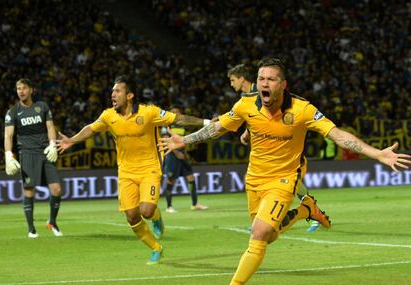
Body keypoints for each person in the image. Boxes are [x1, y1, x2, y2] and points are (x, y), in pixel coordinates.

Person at [159, 57, 411, 285]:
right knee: (267, 235)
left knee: (258, 233)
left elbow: (338, 136)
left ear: (283, 84)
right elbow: (218, 128)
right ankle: (305, 210)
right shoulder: (246, 104)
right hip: (254, 179)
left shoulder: (302, 109)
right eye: (261, 79)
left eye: (271, 79)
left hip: (284, 178)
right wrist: (186, 140)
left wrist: (377, 153)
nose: (264, 83)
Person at [55, 75, 210, 265]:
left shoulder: (149, 112)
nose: (113, 94)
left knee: (146, 210)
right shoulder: (108, 116)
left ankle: (156, 217)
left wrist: (207, 123)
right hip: (126, 172)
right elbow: (90, 129)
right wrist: (71, 140)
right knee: (131, 216)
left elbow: (178, 119)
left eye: (117, 91)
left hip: (150, 169)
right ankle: (156, 248)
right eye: (112, 91)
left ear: (130, 96)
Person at [228, 63, 321, 232]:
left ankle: (310, 212)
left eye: (233, 80)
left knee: (293, 182)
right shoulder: (249, 95)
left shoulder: (261, 89)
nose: (231, 84)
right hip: (267, 148)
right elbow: (257, 118)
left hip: (284, 144)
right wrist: (247, 132)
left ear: (242, 79)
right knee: (291, 184)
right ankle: (304, 211)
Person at [4, 78, 62, 238]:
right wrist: (8, 154)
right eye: (18, 88)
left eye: (24, 88)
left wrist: (52, 144)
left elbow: (50, 126)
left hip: (45, 152)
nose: (21, 91)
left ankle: (52, 221)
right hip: (27, 153)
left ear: (31, 90)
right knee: (29, 190)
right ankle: (31, 229)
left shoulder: (42, 107)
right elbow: (8, 135)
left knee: (56, 189)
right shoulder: (13, 112)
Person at [161, 106, 208, 213]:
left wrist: (183, 153)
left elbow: (183, 141)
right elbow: (166, 142)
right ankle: (169, 207)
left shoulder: (183, 127)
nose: (176, 114)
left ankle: (195, 204)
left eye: (177, 112)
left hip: (182, 155)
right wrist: (177, 153)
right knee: (170, 180)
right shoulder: (166, 126)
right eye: (173, 112)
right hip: (172, 156)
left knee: (191, 178)